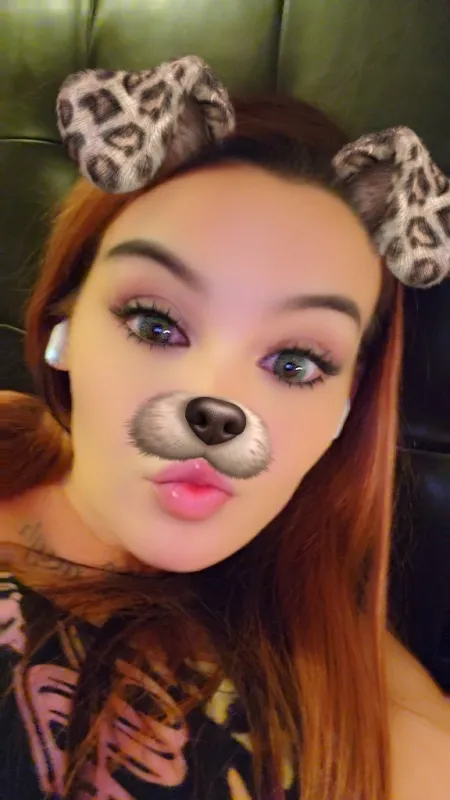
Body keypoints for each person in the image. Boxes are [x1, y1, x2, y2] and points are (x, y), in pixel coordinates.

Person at [0, 55, 449, 800]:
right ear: (63, 328)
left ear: (345, 410)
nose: (218, 403)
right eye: (155, 323)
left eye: (296, 363)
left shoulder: (354, 706)